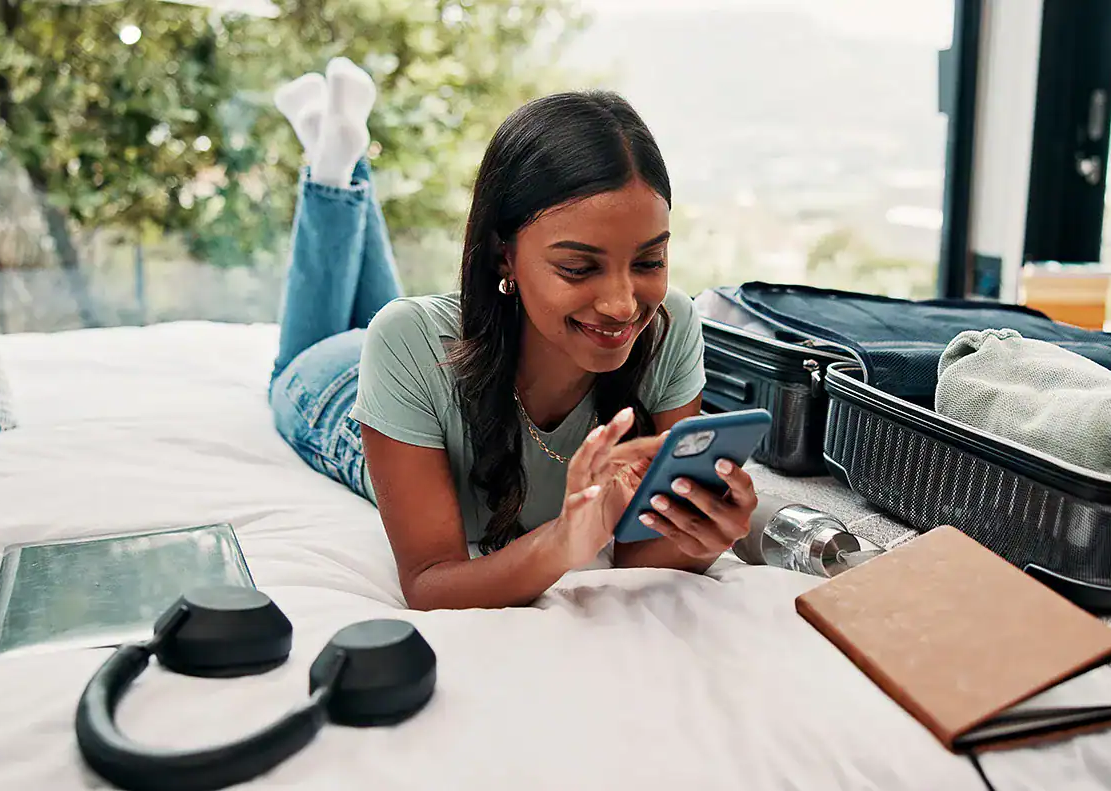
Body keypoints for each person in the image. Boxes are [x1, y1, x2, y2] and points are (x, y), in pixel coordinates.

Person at [268, 58, 759, 611]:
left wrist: (704, 539)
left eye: (649, 261)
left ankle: (341, 154)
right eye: (578, 268)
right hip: (333, 390)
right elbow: (431, 583)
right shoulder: (405, 339)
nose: (624, 304)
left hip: (434, 349)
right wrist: (562, 542)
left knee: (392, 313)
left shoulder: (671, 325)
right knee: (333, 342)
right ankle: (334, 170)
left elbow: (639, 554)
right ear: (505, 254)